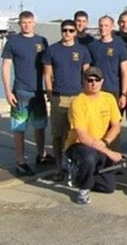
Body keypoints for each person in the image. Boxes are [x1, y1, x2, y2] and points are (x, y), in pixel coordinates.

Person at [1, 10, 52, 176]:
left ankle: (41, 154)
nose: (27, 25)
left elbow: (48, 67)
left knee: (40, 126)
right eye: (24, 22)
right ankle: (20, 161)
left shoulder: (42, 41)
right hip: (21, 91)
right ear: (20, 23)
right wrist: (8, 91)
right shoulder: (13, 42)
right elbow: (6, 67)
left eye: (30, 22)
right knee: (19, 128)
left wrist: (50, 88)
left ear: (34, 23)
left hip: (38, 92)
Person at [65, 66, 123, 205]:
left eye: (97, 80)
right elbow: (82, 136)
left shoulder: (108, 98)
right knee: (90, 157)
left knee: (108, 187)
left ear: (102, 82)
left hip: (100, 144)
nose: (93, 83)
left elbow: (116, 125)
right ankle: (83, 189)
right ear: (83, 82)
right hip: (79, 145)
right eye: (90, 80)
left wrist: (106, 141)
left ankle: (82, 174)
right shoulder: (78, 102)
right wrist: (109, 152)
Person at [43, 20, 92, 180]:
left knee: (77, 134)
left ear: (75, 32)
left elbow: (87, 74)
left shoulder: (82, 50)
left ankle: (75, 167)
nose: (68, 33)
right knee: (58, 135)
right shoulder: (52, 50)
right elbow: (47, 74)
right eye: (65, 30)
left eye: (71, 30)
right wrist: (50, 94)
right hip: (59, 97)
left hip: (78, 97)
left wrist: (87, 95)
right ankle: (59, 168)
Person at [87, 15, 127, 151]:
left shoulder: (120, 46)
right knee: (96, 123)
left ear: (112, 27)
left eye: (106, 25)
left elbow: (125, 71)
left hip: (114, 91)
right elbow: (88, 70)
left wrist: (124, 94)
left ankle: (113, 156)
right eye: (101, 25)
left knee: (114, 125)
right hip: (97, 91)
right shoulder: (93, 46)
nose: (103, 28)